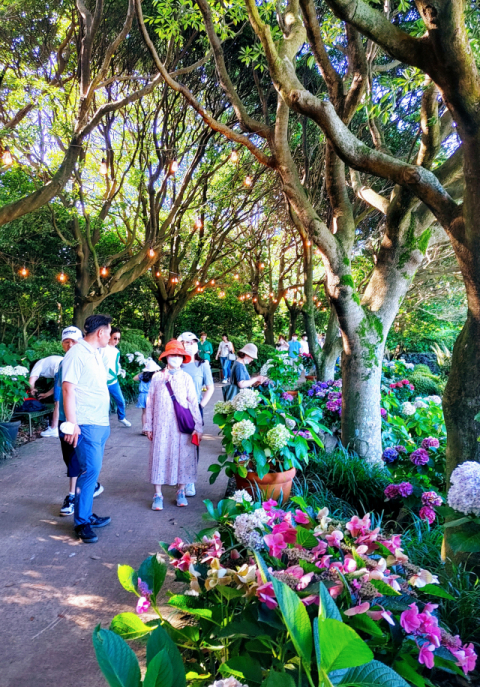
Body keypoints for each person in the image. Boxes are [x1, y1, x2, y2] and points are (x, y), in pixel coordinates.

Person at [61, 314, 112, 544]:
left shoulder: (95, 354)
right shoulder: (76, 353)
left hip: (100, 422)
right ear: (100, 332)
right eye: (109, 332)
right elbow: (68, 389)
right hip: (86, 424)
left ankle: (86, 512)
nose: (110, 336)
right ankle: (82, 522)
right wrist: (72, 424)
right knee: (89, 471)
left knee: (93, 472)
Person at [144, 339, 203, 511]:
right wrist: (148, 425)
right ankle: (157, 494)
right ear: (166, 357)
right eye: (173, 355)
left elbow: (193, 402)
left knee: (184, 456)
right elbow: (150, 402)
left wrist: (198, 426)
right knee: (159, 455)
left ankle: (181, 491)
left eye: (179, 355)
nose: (176, 358)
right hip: (161, 425)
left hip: (182, 425)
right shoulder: (157, 377)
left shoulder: (186, 378)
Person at [55, 326, 104, 517]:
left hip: (79, 421)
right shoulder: (63, 363)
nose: (70, 345)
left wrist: (72, 421)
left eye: (73, 341)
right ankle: (88, 488)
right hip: (65, 420)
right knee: (70, 460)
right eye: (66, 342)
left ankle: (73, 498)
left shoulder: (85, 358)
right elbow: (61, 391)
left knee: (77, 462)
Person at [177, 332, 215, 498]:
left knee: (193, 443)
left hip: (194, 409)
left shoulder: (202, 365)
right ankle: (179, 479)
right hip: (176, 409)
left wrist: (200, 405)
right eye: (186, 342)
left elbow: (210, 387)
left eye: (193, 342)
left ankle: (190, 480)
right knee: (176, 443)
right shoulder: (175, 363)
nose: (190, 345)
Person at [29, 354, 64, 437]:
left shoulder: (37, 364)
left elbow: (31, 382)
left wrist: (32, 389)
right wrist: (46, 394)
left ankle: (54, 429)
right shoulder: (48, 362)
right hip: (67, 367)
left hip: (62, 368)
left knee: (57, 403)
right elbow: (58, 384)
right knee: (65, 400)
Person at [103, 327, 131, 427]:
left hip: (113, 380)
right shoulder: (102, 348)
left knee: (121, 400)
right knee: (105, 402)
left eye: (118, 339)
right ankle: (103, 420)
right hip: (102, 381)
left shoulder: (116, 351)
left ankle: (122, 417)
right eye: (115, 338)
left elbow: (116, 364)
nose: (117, 341)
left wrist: (119, 371)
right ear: (109, 336)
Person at [133, 359, 160, 431]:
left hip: (142, 395)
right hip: (151, 396)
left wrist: (143, 371)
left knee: (144, 413)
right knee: (152, 412)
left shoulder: (142, 375)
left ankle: (144, 429)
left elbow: (134, 378)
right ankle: (151, 428)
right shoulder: (155, 376)